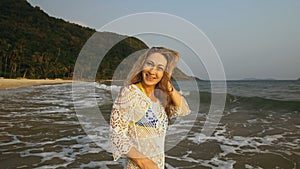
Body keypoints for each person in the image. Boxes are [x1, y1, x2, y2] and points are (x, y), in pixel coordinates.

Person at [110, 47, 191, 169]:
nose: (153, 71)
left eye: (160, 68)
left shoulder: (159, 98)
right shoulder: (130, 93)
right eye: (150, 64)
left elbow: (184, 109)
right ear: (142, 65)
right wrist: (146, 163)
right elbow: (116, 135)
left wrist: (167, 84)